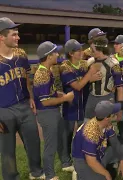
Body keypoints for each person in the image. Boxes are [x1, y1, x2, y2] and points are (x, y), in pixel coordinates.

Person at [0, 17, 44, 180]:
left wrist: (31, 97)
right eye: (14, 34)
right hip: (3, 110)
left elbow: (26, 78)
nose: (18, 38)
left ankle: (37, 172)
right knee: (7, 150)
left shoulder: (21, 54)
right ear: (2, 37)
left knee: (33, 142)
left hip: (24, 106)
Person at [33, 41, 75, 179]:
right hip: (47, 113)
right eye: (55, 52)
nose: (58, 54)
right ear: (49, 56)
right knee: (50, 146)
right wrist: (66, 98)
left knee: (61, 138)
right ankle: (50, 175)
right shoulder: (42, 74)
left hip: (53, 111)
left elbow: (48, 93)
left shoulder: (47, 70)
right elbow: (45, 102)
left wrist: (58, 94)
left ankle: (65, 163)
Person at [60, 39, 102, 171]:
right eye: (78, 50)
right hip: (71, 106)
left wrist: (91, 77)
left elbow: (91, 78)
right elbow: (77, 86)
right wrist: (90, 76)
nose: (81, 52)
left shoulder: (84, 64)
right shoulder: (65, 67)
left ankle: (81, 157)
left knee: (82, 134)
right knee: (67, 134)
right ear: (71, 53)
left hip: (84, 104)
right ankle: (65, 162)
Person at [84, 37, 123, 124]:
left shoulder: (113, 64)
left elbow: (120, 87)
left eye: (93, 50)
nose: (90, 52)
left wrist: (120, 108)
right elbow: (82, 82)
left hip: (106, 98)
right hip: (91, 98)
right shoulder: (89, 62)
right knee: (87, 125)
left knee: (104, 126)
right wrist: (90, 80)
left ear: (100, 50)